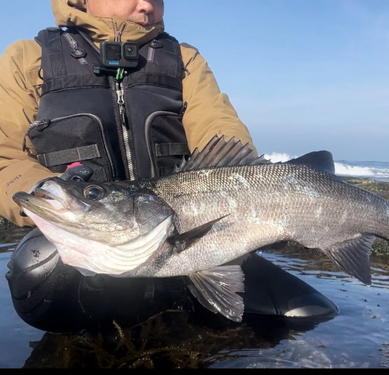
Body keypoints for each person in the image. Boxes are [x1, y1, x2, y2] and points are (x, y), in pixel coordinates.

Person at [0, 0, 337, 333]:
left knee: (310, 312)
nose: (147, 5)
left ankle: (194, 281)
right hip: (88, 246)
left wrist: (253, 203)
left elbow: (219, 131)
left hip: (188, 238)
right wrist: (44, 191)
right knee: (40, 266)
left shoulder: (184, 59)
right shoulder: (28, 57)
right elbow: (3, 155)